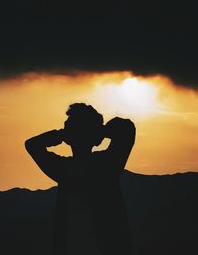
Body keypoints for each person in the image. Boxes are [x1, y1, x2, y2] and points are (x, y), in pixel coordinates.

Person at [25, 103, 135, 255]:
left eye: (73, 125)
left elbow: (127, 128)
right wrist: (97, 132)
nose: (69, 128)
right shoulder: (107, 164)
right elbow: (126, 130)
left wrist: (62, 135)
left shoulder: (104, 165)